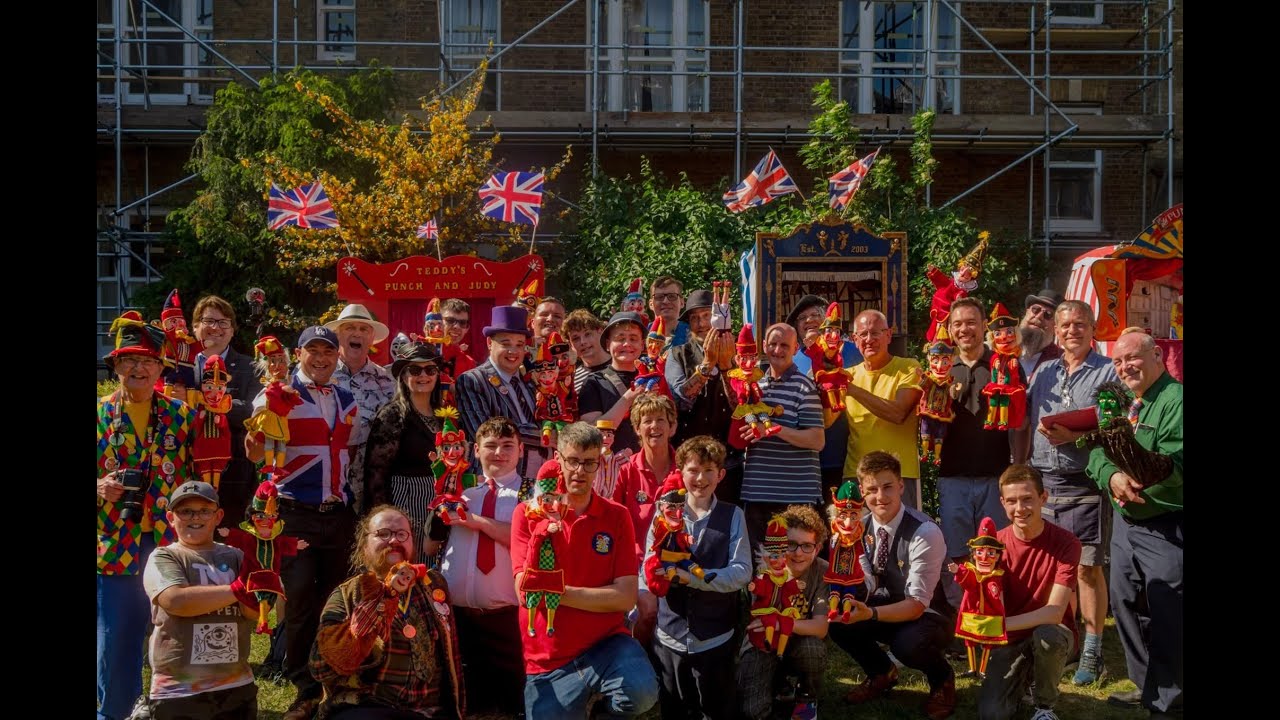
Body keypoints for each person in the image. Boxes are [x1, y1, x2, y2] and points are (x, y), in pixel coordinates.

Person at [246, 325, 359, 720]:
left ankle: (334, 681)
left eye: (328, 351)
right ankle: (303, 688)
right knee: (297, 601)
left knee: (337, 603)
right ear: (299, 354)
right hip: (294, 511)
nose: (321, 358)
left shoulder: (347, 398)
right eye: (313, 350)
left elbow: (349, 453)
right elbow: (255, 453)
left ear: (337, 356)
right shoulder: (276, 393)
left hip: (338, 513)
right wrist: (258, 438)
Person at [511, 422, 659, 718]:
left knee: (642, 693)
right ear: (558, 459)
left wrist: (556, 591)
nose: (579, 471)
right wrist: (589, 596)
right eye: (573, 461)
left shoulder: (616, 515)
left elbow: (625, 597)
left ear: (600, 463)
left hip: (606, 643)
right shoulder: (527, 513)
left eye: (589, 462)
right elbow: (525, 593)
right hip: (548, 658)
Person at [1016, 300, 1119, 685]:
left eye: (1080, 324)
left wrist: (1076, 435)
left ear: (1093, 329)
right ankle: (1069, 641)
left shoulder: (1108, 372)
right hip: (1045, 479)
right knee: (1053, 567)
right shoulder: (1044, 371)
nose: (1072, 330)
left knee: (1087, 568)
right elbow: (1023, 420)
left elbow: (1118, 426)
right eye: (1065, 325)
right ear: (1056, 331)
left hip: (1084, 479)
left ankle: (1094, 651)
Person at [98, 311, 195, 720]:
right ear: (116, 366)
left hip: (169, 541)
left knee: (173, 634)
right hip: (114, 542)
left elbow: (202, 470)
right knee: (118, 635)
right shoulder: (99, 414)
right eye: (129, 360)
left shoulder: (182, 415)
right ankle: (114, 713)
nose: (139, 368)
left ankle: (170, 710)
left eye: (148, 361)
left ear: (160, 368)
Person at [1087, 329, 1182, 717]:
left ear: (1157, 355)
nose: (1125, 366)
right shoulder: (1121, 400)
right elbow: (1096, 449)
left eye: (1133, 357)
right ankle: (1146, 687)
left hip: (1166, 521)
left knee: (1168, 608)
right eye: (1119, 361)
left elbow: (1175, 463)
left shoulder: (1176, 400)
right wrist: (1112, 477)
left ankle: (1171, 700)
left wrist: (1137, 478)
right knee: (1126, 603)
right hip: (1126, 522)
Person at [828, 451, 955, 720]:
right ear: (862, 491)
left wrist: (870, 614)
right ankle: (881, 673)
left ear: (900, 486)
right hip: (880, 604)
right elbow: (860, 581)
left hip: (929, 615)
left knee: (907, 645)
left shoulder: (925, 531)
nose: (881, 497)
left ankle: (942, 678)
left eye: (887, 487)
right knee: (838, 620)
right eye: (872, 489)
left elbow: (918, 604)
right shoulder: (854, 528)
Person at [310, 505, 466, 719]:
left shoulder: (433, 585)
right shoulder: (347, 595)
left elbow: (452, 659)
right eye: (383, 534)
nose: (394, 541)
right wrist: (367, 619)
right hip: (368, 707)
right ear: (364, 546)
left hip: (428, 712)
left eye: (402, 534)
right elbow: (319, 668)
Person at [638, 436, 751, 720]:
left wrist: (695, 579)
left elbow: (741, 572)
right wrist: (649, 585)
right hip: (670, 636)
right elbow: (648, 562)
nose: (700, 478)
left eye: (708, 471)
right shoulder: (663, 513)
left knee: (716, 708)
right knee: (674, 708)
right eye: (693, 470)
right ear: (680, 472)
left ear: (721, 475)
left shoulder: (733, 515)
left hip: (715, 638)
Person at [430, 416, 536, 715]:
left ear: (521, 451)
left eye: (507, 446)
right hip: (460, 618)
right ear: (475, 450)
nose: (499, 453)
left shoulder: (532, 494)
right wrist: (439, 502)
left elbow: (525, 542)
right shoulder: (462, 492)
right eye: (490, 446)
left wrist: (473, 521)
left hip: (508, 618)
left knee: (514, 704)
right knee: (466, 705)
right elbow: (429, 545)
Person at [142, 481, 260, 719]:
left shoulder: (236, 556)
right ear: (170, 517)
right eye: (185, 511)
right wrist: (238, 589)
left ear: (218, 517)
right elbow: (176, 601)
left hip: (235, 686)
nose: (195, 517)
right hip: (177, 691)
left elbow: (254, 612)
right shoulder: (165, 556)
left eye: (204, 510)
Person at [975, 464, 1081, 720]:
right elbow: (990, 602)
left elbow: (1055, 612)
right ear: (1002, 503)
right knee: (992, 715)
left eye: (1027, 499)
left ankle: (1045, 707)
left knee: (1047, 637)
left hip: (1053, 633)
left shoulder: (1067, 543)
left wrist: (999, 625)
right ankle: (1025, 677)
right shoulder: (993, 546)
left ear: (1043, 498)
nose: (1019, 509)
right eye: (1011, 501)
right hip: (1010, 639)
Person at [937, 298, 1014, 606]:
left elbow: (1019, 420)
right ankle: (962, 614)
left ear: (984, 326)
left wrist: (1017, 465)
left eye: (971, 322)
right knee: (955, 551)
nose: (964, 329)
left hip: (995, 475)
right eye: (957, 324)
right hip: (952, 474)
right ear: (950, 329)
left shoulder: (1003, 365)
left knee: (995, 549)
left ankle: (995, 612)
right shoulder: (940, 369)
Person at [736, 504, 832, 720]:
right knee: (752, 711)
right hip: (763, 643)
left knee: (813, 650)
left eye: (807, 546)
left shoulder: (824, 571)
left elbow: (820, 627)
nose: (798, 553)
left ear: (817, 548)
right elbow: (759, 620)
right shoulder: (764, 569)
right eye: (791, 544)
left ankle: (807, 697)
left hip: (801, 641)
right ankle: (779, 686)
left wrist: (781, 622)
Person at [738, 323, 825, 548]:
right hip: (757, 494)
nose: (778, 350)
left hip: (795, 496)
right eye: (773, 344)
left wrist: (774, 430)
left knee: (795, 567)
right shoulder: (753, 385)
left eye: (784, 345)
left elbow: (817, 440)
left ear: (796, 348)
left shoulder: (805, 387)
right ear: (764, 346)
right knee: (761, 569)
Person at [361, 340, 446, 555]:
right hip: (404, 502)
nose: (423, 375)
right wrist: (381, 519)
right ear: (403, 376)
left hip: (437, 502)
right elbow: (375, 474)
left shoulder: (444, 416)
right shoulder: (392, 415)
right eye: (415, 370)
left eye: (430, 369)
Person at [191, 294, 262, 529]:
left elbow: (253, 411)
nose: (216, 328)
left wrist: (202, 400)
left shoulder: (250, 367)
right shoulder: (179, 367)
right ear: (195, 327)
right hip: (185, 467)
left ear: (232, 330)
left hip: (235, 473)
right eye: (209, 321)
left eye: (223, 323)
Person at [843, 309, 925, 509]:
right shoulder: (846, 375)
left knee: (903, 538)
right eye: (863, 334)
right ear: (855, 339)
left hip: (899, 475)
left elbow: (898, 413)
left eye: (875, 333)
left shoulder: (908, 367)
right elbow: (826, 422)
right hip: (856, 475)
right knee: (855, 538)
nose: (869, 339)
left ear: (888, 335)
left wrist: (852, 390)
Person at [666, 288, 741, 503]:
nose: (701, 324)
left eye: (707, 316)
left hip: (729, 461)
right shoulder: (677, 353)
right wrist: (707, 364)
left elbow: (741, 406)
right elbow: (682, 397)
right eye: (694, 318)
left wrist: (727, 367)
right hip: (689, 459)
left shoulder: (740, 353)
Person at [787, 294, 862, 502]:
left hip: (845, 457)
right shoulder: (793, 359)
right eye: (802, 318)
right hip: (804, 461)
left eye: (815, 315)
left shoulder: (851, 351)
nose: (809, 320)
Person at [455, 305, 546, 476]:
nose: (514, 351)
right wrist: (544, 436)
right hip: (493, 477)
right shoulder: (472, 380)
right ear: (490, 343)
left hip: (537, 477)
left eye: (520, 344)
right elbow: (484, 434)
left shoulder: (531, 382)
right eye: (506, 343)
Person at [327, 304, 396, 514]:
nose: (357, 333)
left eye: (363, 329)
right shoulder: (320, 375)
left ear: (371, 338)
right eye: (349, 328)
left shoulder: (387, 381)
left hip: (372, 485)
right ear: (338, 335)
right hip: (325, 483)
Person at [612, 392, 679, 566]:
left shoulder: (686, 470)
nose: (654, 426)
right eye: (647, 421)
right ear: (637, 429)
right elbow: (612, 523)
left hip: (680, 565)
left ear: (672, 427)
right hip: (634, 565)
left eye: (661, 420)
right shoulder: (625, 471)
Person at [578, 310, 649, 455]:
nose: (627, 344)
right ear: (608, 344)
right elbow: (590, 433)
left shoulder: (652, 377)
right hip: (611, 467)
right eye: (620, 338)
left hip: (648, 466)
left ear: (642, 345)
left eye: (633, 339)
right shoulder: (595, 382)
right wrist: (628, 398)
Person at [1018, 287, 1064, 380]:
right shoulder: (999, 349)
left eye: (1048, 314)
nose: (1039, 317)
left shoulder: (1062, 361)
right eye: (1035, 309)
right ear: (1027, 312)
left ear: (1056, 325)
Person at [565, 308, 612, 394]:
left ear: (600, 331)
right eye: (576, 338)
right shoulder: (572, 381)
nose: (583, 342)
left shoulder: (624, 364)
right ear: (570, 344)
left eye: (587, 334)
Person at [439, 297, 478, 379]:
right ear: (438, 323)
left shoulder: (469, 364)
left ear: (467, 329)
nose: (457, 326)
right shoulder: (421, 354)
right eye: (450, 320)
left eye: (462, 323)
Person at [649, 275, 691, 348]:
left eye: (672, 296)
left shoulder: (692, 335)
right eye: (659, 297)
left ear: (681, 302)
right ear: (651, 304)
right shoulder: (640, 335)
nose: (666, 301)